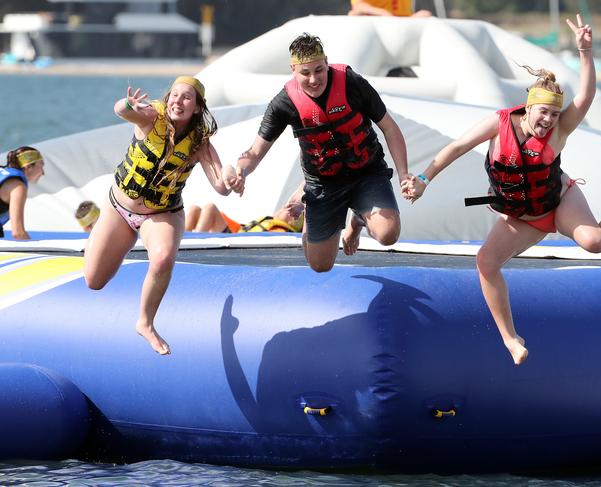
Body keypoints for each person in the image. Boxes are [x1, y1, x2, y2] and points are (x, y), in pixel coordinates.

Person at [402, 14, 601, 366]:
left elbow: (587, 96)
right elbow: (454, 148)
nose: (548, 121)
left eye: (554, 115)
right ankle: (510, 338)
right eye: (543, 112)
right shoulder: (499, 125)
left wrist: (586, 53)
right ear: (528, 107)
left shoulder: (559, 132)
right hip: (522, 215)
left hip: (558, 203)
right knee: (486, 261)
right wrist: (423, 180)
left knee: (595, 242)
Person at [227, 33, 412, 272]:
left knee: (388, 234)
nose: (314, 79)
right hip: (324, 184)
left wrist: (404, 173)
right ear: (293, 70)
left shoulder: (351, 82)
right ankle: (310, 204)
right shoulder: (284, 103)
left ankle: (357, 219)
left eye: (319, 70)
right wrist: (241, 171)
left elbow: (390, 128)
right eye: (305, 73)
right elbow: (254, 152)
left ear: (327, 63)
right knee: (320, 265)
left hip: (366, 172)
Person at [84, 76, 235, 355]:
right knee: (93, 281)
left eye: (186, 97)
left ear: (198, 108)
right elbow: (122, 110)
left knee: (164, 258)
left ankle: (145, 322)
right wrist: (127, 103)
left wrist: (231, 178)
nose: (178, 101)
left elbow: (221, 187)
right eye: (174, 95)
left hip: (163, 212)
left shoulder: (199, 141)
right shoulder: (152, 117)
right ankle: (115, 241)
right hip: (119, 208)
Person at [186, 183, 305, 234]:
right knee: (194, 209)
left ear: (291, 220)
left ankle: (195, 242)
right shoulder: (270, 221)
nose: (282, 208)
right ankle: (182, 243)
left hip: (234, 241)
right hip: (238, 232)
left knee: (210, 208)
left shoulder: (279, 231)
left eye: (287, 210)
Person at [0, 146, 45, 240]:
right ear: (28, 166)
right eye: (41, 165)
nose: (43, 172)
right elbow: (18, 233)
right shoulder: (18, 187)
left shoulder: (3, 174)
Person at [348, 0, 432, 17]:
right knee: (355, 15)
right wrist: (382, 13)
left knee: (425, 15)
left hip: (403, 23)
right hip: (376, 21)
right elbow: (358, 5)